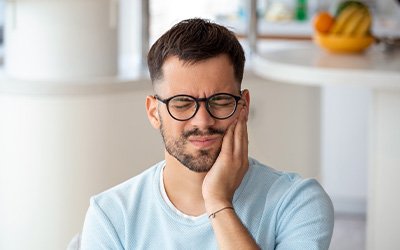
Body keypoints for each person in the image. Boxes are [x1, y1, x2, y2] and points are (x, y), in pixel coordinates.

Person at [80, 18, 334, 250]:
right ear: (154, 113)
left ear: (243, 106)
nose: (203, 120)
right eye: (182, 103)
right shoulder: (111, 215)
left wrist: (217, 202)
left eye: (220, 100)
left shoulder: (297, 202)